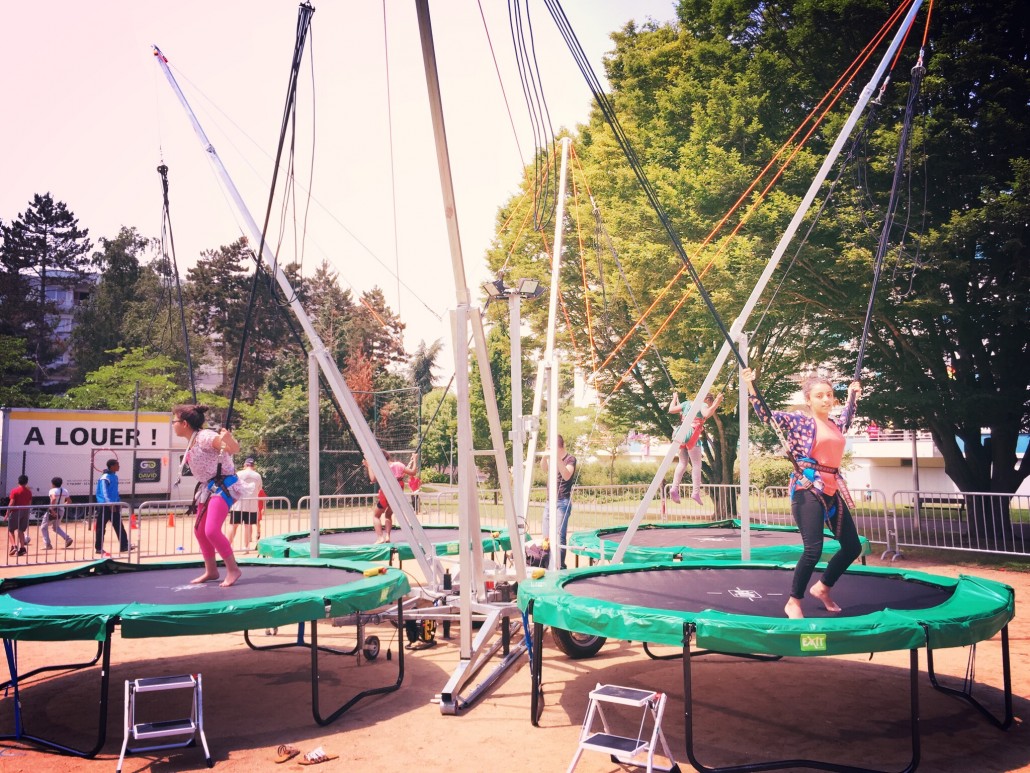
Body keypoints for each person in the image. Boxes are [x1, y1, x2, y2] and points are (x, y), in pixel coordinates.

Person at [741, 368, 864, 619]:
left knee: (852, 547)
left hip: (831, 489)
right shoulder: (800, 421)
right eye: (820, 396)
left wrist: (853, 395)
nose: (827, 400)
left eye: (830, 395)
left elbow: (849, 414)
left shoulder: (836, 424)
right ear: (808, 400)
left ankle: (823, 587)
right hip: (807, 489)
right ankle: (794, 601)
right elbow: (767, 417)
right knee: (813, 550)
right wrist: (751, 387)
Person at [172, 404, 243, 587]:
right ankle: (211, 570)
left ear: (185, 423)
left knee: (211, 530)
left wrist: (229, 439)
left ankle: (233, 569)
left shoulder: (204, 437)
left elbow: (233, 449)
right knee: (200, 531)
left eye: (174, 421)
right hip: (208, 488)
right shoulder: (192, 440)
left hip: (224, 485)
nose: (173, 424)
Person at [667, 390, 724, 504]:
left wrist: (674, 397)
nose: (708, 405)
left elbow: (671, 409)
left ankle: (674, 488)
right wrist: (717, 402)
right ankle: (695, 492)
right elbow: (707, 414)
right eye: (709, 402)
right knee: (697, 464)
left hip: (680, 433)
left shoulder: (686, 403)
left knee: (682, 462)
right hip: (692, 434)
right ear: (707, 399)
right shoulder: (701, 404)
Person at [363, 451, 418, 544]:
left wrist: (369, 466)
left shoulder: (381, 468)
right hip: (397, 492)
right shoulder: (398, 465)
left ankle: (380, 537)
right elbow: (413, 472)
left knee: (376, 516)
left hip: (387, 492)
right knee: (388, 515)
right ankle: (388, 536)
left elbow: (373, 479)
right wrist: (415, 459)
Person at [540, 434, 577, 570]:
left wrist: (555, 456)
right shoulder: (551, 458)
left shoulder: (570, 459)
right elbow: (543, 468)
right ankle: (547, 564)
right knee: (546, 536)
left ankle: (560, 567)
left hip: (562, 502)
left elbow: (567, 475)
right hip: (550, 502)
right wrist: (546, 454)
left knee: (559, 537)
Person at [94, 459, 130, 556]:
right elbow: (104, 492)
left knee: (119, 526)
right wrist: (110, 504)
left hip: (114, 505)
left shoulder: (115, 476)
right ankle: (98, 548)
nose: (119, 466)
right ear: (112, 466)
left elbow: (115, 491)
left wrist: (118, 503)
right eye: (117, 465)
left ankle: (124, 546)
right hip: (105, 506)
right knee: (101, 528)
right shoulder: (105, 477)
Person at [229, 458, 263, 552]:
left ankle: (228, 546)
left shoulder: (238, 474)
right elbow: (259, 489)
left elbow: (233, 487)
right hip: (251, 504)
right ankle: (246, 547)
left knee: (233, 525)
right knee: (248, 525)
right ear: (253, 466)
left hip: (238, 503)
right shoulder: (257, 475)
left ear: (245, 465)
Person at [43, 476, 74, 550]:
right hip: (61, 510)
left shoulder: (52, 490)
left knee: (43, 527)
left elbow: (53, 499)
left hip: (53, 510)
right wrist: (62, 505)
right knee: (56, 527)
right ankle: (67, 538)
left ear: (53, 483)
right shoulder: (65, 490)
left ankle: (47, 544)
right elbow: (69, 501)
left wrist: (51, 509)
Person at [7, 474, 32, 557]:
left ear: (18, 481)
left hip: (16, 511)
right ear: (26, 482)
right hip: (25, 511)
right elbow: (29, 503)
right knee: (21, 530)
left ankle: (14, 546)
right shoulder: (29, 492)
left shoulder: (14, 491)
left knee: (11, 530)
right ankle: (22, 548)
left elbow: (11, 503)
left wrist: (7, 513)